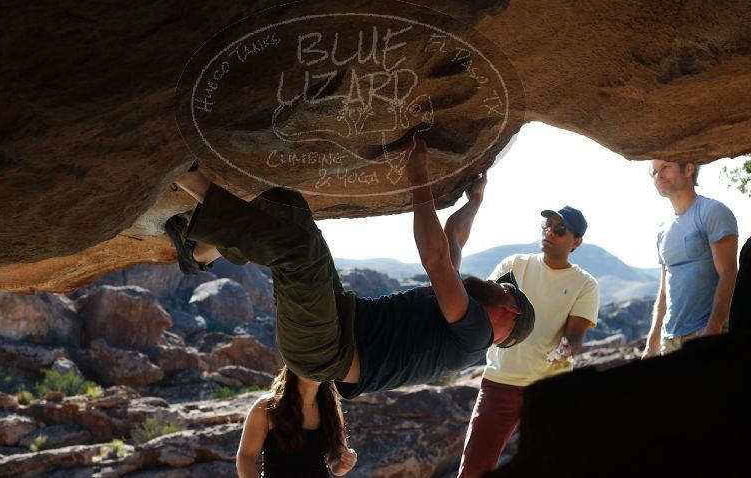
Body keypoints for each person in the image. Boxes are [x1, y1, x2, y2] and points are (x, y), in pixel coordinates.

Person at [167, 139, 535, 399]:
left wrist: (417, 175)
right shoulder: (458, 308)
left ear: (511, 309)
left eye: (503, 286)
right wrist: (477, 200)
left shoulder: (474, 336)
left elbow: (436, 259)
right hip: (335, 315)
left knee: (299, 252)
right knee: (287, 205)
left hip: (326, 350)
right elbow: (453, 238)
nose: (493, 281)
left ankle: (190, 177)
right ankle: (198, 253)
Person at [457, 206, 599, 476]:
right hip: (500, 383)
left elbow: (575, 335)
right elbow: (483, 307)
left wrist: (564, 351)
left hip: (551, 391)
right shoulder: (514, 265)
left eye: (559, 229)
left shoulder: (585, 284)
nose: (549, 232)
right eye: (547, 225)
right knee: (473, 470)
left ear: (576, 242)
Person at [643, 160, 738, 358]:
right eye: (654, 172)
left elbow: (728, 273)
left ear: (688, 169)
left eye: (665, 167)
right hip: (669, 341)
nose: (658, 175)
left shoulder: (712, 211)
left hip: (705, 333)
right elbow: (663, 292)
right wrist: (652, 343)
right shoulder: (663, 229)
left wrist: (713, 328)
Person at [236, 365, 357, 477]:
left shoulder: (330, 408)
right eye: (311, 361)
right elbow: (245, 457)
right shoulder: (268, 406)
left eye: (322, 363)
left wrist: (344, 462)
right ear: (295, 363)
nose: (317, 366)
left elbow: (336, 464)